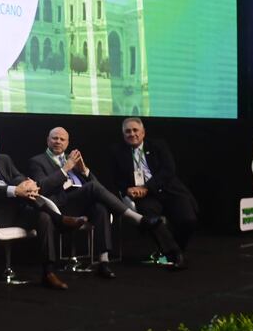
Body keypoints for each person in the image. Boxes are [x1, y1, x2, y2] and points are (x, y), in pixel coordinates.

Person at [27, 127, 184, 279]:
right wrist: (65, 169)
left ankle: (103, 262)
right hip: (60, 206)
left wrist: (84, 171)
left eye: (62, 139)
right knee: (94, 189)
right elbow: (42, 188)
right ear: (48, 140)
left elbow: (96, 186)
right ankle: (136, 218)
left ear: (67, 143)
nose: (58, 141)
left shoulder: (72, 159)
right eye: (55, 138)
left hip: (81, 201)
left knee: (101, 208)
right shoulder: (38, 161)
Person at [0, 127, 87, 290]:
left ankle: (48, 273)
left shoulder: (4, 159)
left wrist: (26, 184)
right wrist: (16, 190)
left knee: (44, 217)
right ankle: (60, 220)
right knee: (26, 196)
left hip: (17, 210)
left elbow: (17, 175)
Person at [111, 117, 198, 256]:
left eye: (135, 130)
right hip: (144, 198)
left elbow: (168, 170)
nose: (132, 134)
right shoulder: (118, 151)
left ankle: (176, 248)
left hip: (168, 189)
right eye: (128, 131)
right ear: (123, 135)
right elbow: (116, 178)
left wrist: (146, 187)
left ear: (143, 132)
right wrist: (127, 189)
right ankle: (174, 254)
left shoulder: (158, 145)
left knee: (188, 219)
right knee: (152, 220)